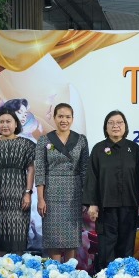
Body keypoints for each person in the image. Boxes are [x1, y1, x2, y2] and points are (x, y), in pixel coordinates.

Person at [83, 110, 139, 270]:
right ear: (106, 127)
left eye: (119, 122)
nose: (116, 126)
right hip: (105, 207)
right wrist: (92, 203)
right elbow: (92, 177)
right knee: (106, 247)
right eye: (111, 123)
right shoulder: (98, 149)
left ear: (125, 126)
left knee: (127, 246)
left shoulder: (134, 148)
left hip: (129, 206)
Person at [0, 108, 36, 259]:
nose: (5, 125)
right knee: (0, 237)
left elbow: (31, 169)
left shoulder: (26, 144)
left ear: (16, 124)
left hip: (19, 196)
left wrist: (28, 193)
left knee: (18, 236)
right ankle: (0, 270)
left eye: (8, 121)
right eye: (1, 122)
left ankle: (18, 271)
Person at [35, 103, 88, 262]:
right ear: (54, 118)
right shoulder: (44, 140)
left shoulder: (81, 140)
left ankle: (70, 272)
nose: (64, 120)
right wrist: (40, 198)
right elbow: (40, 170)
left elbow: (85, 170)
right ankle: (55, 272)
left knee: (72, 238)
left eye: (67, 117)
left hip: (74, 193)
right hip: (51, 193)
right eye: (60, 116)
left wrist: (86, 198)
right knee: (54, 238)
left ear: (72, 119)